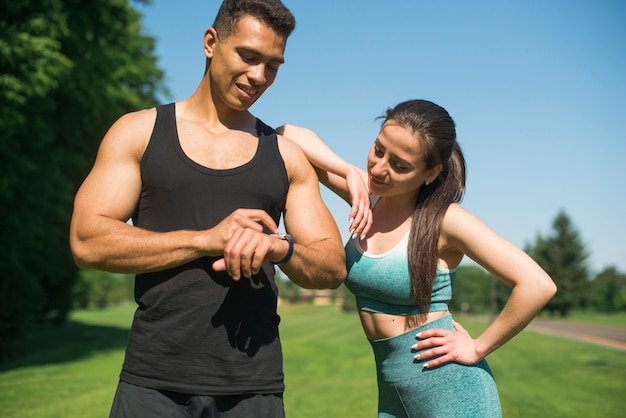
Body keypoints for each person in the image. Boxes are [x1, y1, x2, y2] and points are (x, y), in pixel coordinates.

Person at [69, 1, 348, 417]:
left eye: (273, 65)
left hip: (255, 390)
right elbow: (87, 241)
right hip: (153, 384)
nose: (259, 77)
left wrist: (280, 249)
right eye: (249, 57)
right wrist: (205, 240)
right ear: (210, 43)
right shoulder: (139, 132)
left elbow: (331, 266)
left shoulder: (285, 156)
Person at [279, 99, 557, 417]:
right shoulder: (367, 194)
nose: (379, 168)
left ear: (430, 172)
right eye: (378, 149)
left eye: (400, 165)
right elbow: (287, 133)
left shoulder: (445, 220)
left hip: (453, 396)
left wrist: (478, 347)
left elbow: (537, 284)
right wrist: (346, 172)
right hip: (394, 397)